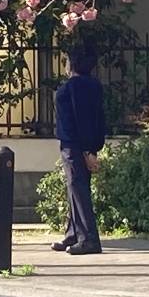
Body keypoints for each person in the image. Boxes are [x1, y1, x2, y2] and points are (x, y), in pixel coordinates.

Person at [52, 44, 105, 255]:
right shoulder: (93, 85)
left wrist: (86, 151)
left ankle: (88, 239)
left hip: (74, 145)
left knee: (78, 188)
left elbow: (78, 120)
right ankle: (73, 233)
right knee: (75, 188)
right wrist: (92, 148)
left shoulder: (73, 87)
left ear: (72, 64)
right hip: (84, 144)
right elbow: (96, 119)